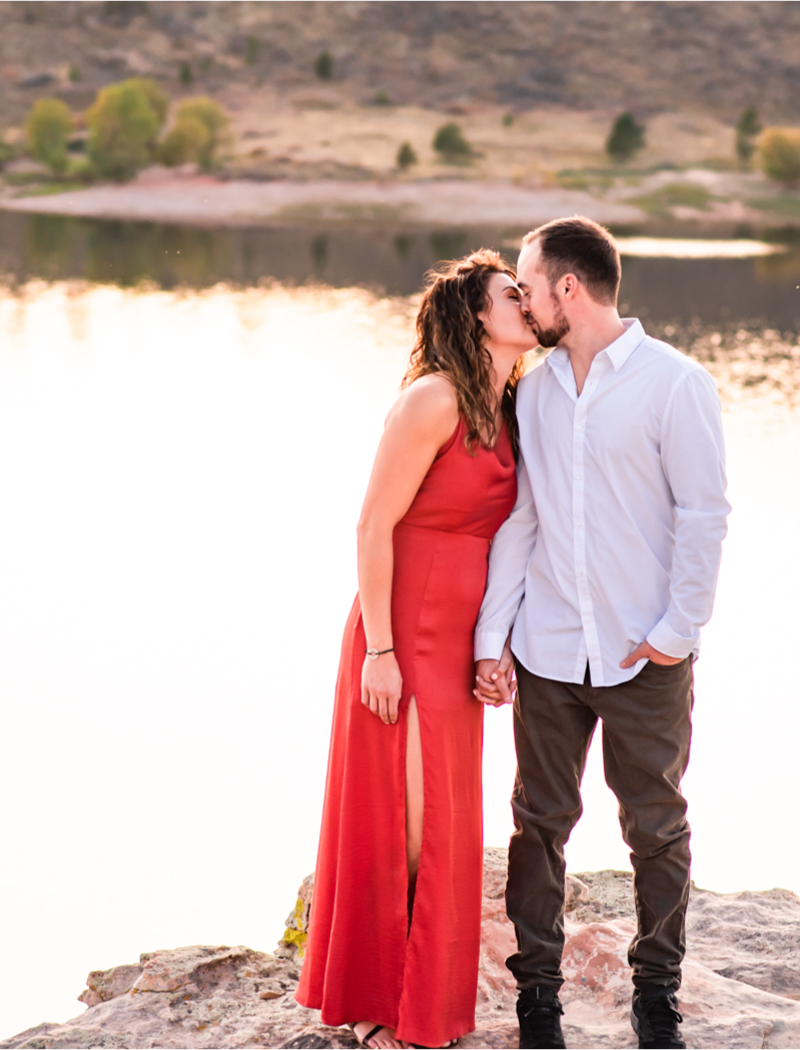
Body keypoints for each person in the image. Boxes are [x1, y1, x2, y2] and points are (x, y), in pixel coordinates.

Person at [472, 217, 730, 1050]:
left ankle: (656, 995)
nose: (522, 300)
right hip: (549, 650)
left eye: (527, 286)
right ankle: (537, 1002)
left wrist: (677, 631)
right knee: (538, 824)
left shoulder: (675, 384)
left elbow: (704, 514)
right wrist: (493, 638)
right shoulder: (535, 391)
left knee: (654, 829)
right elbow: (523, 518)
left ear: (568, 288)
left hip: (642, 653)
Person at [295, 250, 537, 1050]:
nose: (526, 302)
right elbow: (373, 526)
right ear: (476, 315)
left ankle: (425, 1003)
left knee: (446, 821)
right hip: (398, 633)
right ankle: (378, 999)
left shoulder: (511, 405)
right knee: (404, 819)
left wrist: (496, 645)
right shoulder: (432, 399)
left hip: (459, 640)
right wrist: (380, 650)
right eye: (512, 293)